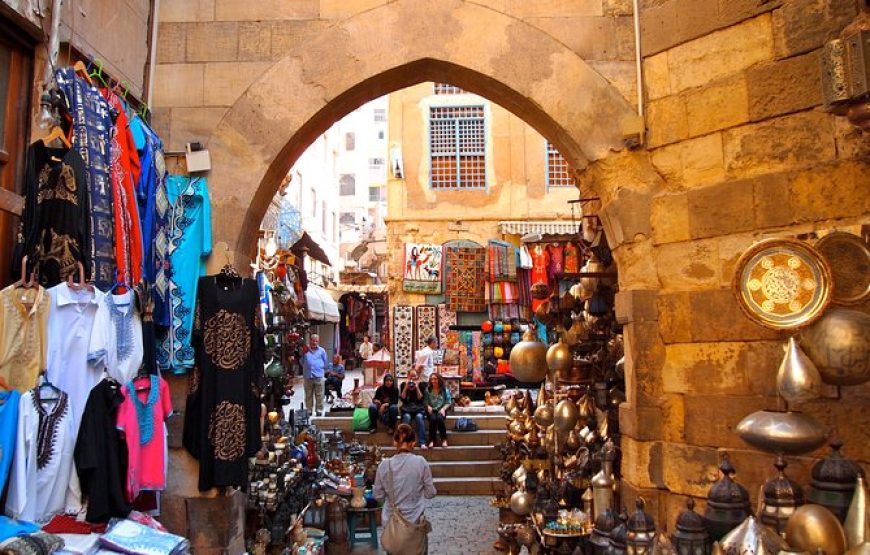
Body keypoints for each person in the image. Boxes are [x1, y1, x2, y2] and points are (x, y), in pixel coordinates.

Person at [373, 424, 436, 555]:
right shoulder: (421, 462)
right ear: (413, 443)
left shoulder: (384, 465)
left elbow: (378, 496)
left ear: (394, 442)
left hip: (392, 525)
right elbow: (431, 493)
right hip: (415, 523)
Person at [301, 334, 328, 416]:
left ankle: (319, 410)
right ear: (310, 340)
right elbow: (301, 361)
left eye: (316, 341)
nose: (314, 342)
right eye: (313, 340)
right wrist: (307, 367)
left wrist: (320, 368)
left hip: (318, 375)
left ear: (318, 341)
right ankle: (309, 410)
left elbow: (325, 362)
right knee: (308, 394)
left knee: (319, 394)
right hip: (308, 375)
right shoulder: (305, 350)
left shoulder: (322, 351)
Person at [399, 371, 427, 449]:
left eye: (414, 376)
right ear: (407, 376)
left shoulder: (421, 385)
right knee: (407, 417)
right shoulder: (403, 384)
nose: (412, 378)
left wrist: (417, 387)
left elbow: (420, 398)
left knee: (419, 417)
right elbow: (403, 398)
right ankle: (405, 442)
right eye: (410, 376)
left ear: (417, 376)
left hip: (418, 409)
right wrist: (405, 387)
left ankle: (422, 442)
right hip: (407, 409)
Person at [424, 374, 453, 448]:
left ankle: (444, 439)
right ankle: (431, 440)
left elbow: (449, 402)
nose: (433, 381)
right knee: (433, 419)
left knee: (440, 419)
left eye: (435, 379)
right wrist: (428, 406)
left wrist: (443, 409)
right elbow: (425, 401)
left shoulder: (444, 390)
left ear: (439, 380)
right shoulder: (428, 390)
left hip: (441, 409)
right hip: (432, 410)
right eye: (432, 379)